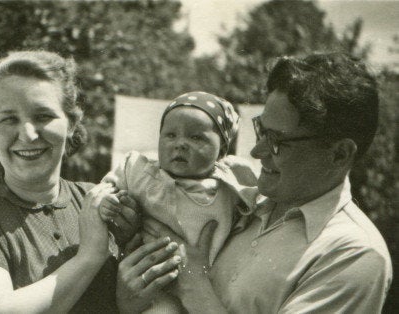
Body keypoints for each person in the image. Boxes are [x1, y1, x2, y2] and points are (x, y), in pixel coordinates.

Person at [116, 52, 393, 313]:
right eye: (261, 130)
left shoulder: (352, 255)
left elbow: (190, 278)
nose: (256, 151)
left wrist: (193, 283)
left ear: (339, 154)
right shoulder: (238, 200)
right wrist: (129, 296)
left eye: (277, 141)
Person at [0, 50, 140, 313]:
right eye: (8, 119)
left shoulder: (101, 200)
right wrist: (90, 256)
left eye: (43, 116)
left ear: (72, 124)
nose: (28, 135)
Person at [99, 91, 258, 312]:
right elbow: (105, 190)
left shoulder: (230, 185)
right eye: (170, 135)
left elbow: (258, 207)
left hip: (207, 285)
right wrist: (110, 201)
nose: (180, 144)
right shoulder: (141, 173)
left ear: (221, 149)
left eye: (196, 137)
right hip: (154, 282)